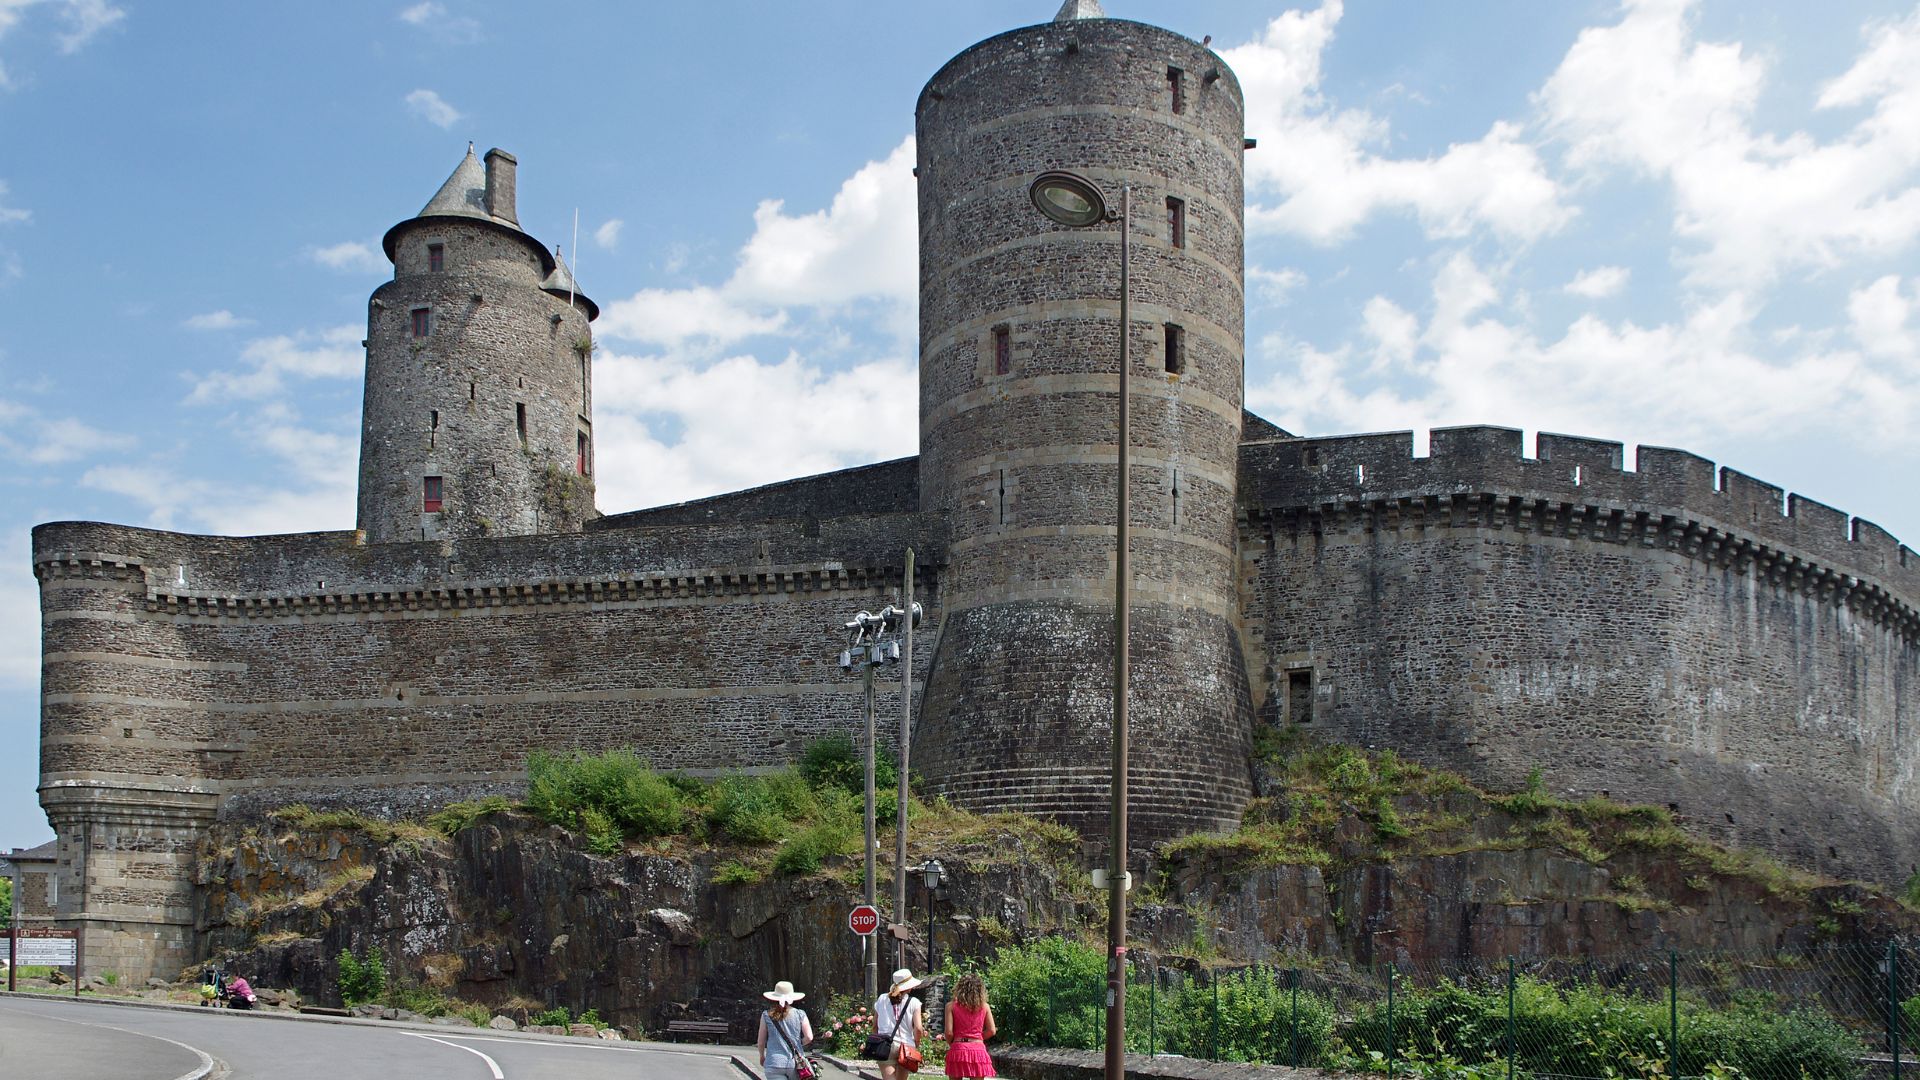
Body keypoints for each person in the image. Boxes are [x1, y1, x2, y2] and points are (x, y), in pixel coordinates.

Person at [874, 968, 927, 1079]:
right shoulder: (914, 1002)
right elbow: (918, 1028)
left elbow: (875, 1025)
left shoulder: (882, 999)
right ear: (909, 986)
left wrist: (876, 1040)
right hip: (907, 1045)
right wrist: (916, 1043)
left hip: (885, 1044)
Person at [942, 972, 996, 1079]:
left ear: (960, 988)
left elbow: (948, 1032)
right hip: (978, 1051)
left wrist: (953, 1043)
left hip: (958, 1048)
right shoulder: (985, 1006)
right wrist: (977, 1038)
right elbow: (991, 1030)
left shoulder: (951, 1006)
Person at [757, 979, 814, 1080]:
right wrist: (798, 1043)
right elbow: (809, 1037)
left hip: (773, 1062)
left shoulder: (766, 1015)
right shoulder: (800, 1014)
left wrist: (762, 1056)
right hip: (794, 1063)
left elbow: (761, 1041)